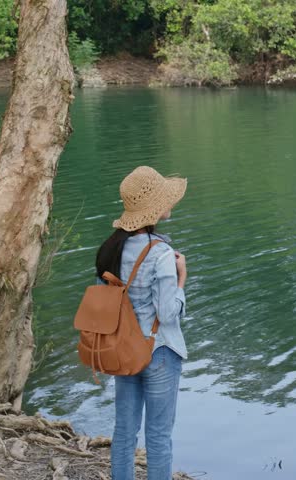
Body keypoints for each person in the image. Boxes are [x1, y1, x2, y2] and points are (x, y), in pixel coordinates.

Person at [95, 165, 189, 480]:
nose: (170, 205)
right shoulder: (160, 253)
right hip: (159, 352)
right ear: (155, 208)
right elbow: (167, 313)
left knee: (124, 431)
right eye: (166, 199)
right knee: (159, 436)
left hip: (123, 349)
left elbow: (104, 300)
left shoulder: (111, 249)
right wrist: (182, 281)